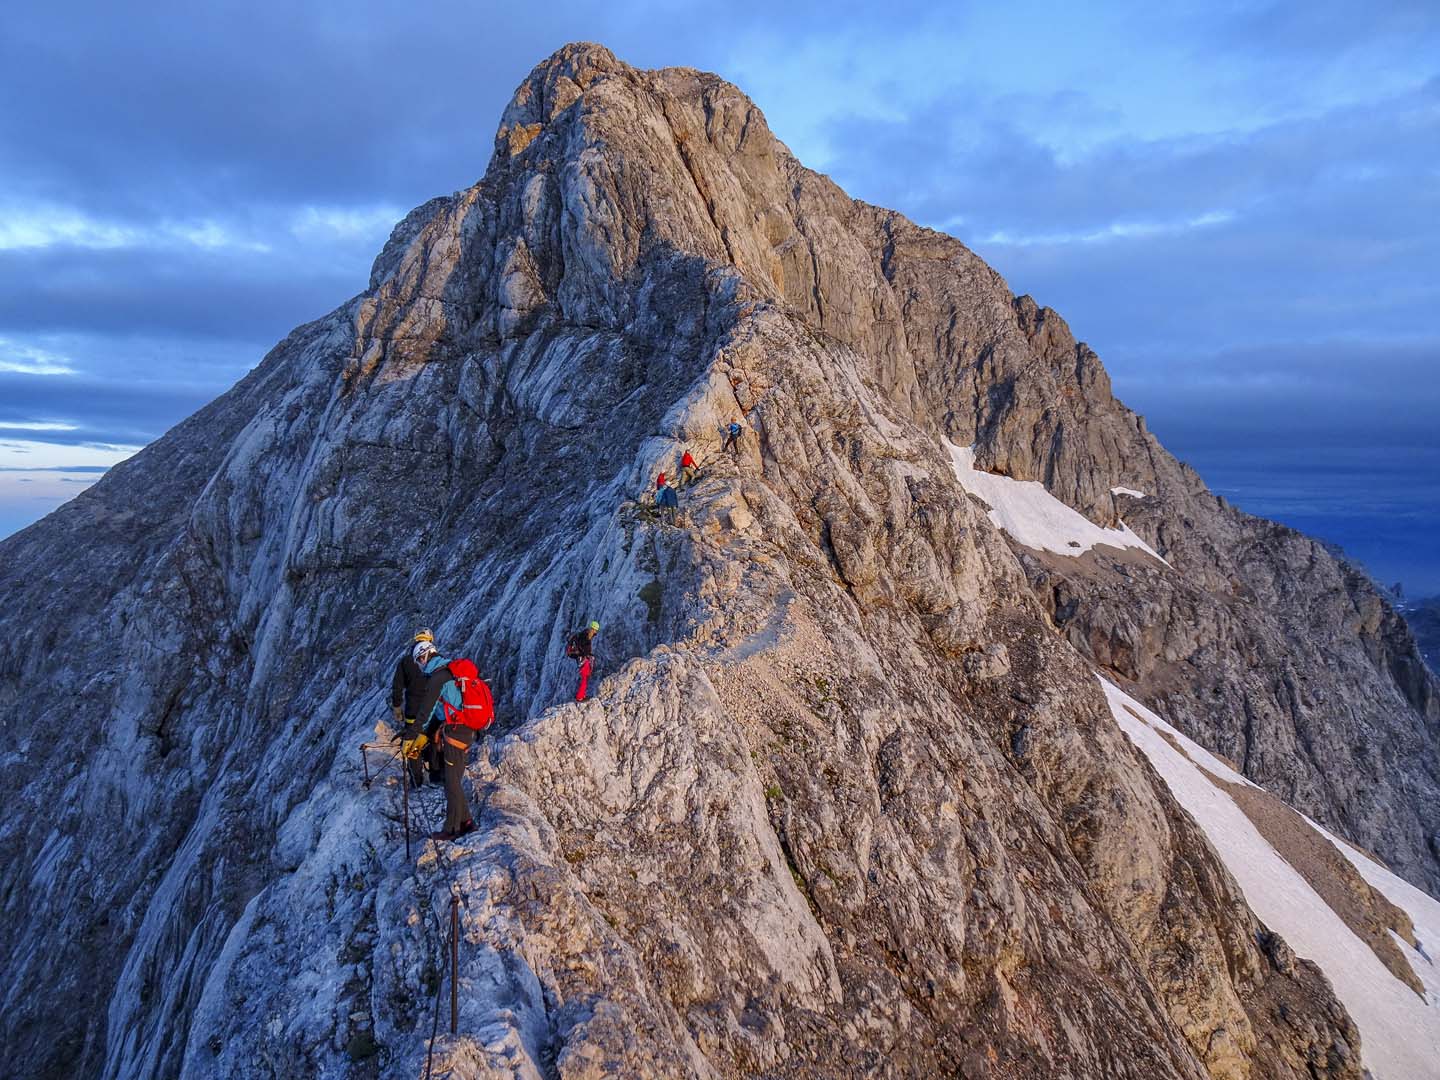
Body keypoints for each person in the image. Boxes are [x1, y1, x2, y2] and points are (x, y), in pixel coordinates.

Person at [411, 650, 484, 841]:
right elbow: (437, 709)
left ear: (424, 657)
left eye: (419, 660)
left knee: (450, 781)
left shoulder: (438, 678)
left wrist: (414, 735)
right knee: (453, 781)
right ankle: (467, 822)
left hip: (455, 731)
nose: (420, 665)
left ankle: (452, 829)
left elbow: (426, 711)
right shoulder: (450, 672)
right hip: (466, 730)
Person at [389, 629, 435, 788]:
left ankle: (417, 780)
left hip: (413, 713)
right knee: (433, 740)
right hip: (433, 712)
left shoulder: (406, 662)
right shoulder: (436, 660)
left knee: (413, 744)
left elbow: (397, 686)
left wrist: (397, 706)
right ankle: (435, 775)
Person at [566, 621, 600, 702]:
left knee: (585, 677)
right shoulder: (586, 636)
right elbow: (583, 649)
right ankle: (580, 696)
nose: (595, 632)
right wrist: (587, 654)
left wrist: (588, 654)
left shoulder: (584, 634)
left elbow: (582, 648)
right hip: (583, 659)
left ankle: (582, 694)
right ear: (593, 629)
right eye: (595, 630)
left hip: (583, 658)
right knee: (585, 677)